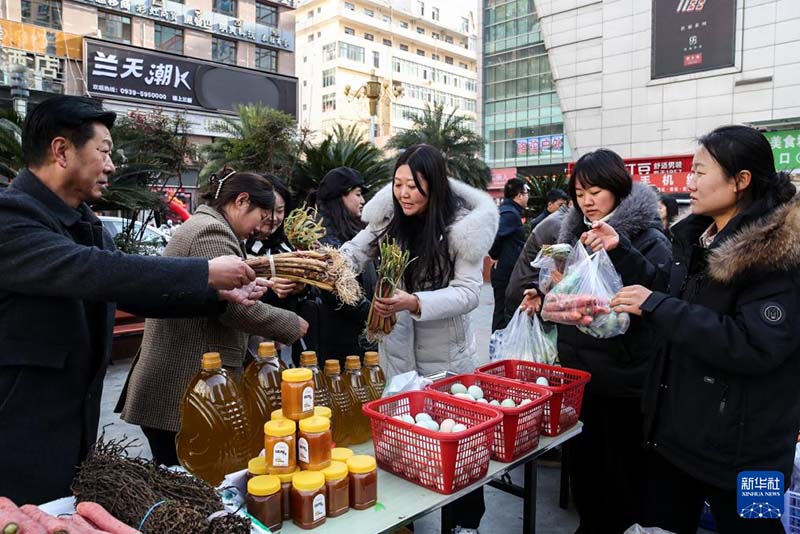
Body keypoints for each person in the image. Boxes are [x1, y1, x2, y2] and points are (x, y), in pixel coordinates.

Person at [0, 96, 260, 505]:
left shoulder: (86, 224)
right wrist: (205, 271)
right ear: (62, 151)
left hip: (75, 428)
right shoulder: (10, 219)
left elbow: (133, 289)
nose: (111, 165)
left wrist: (214, 292)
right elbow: (92, 270)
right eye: (103, 151)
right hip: (17, 432)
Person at [595, 126, 799, 533]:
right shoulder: (700, 238)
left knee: (759, 527)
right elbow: (669, 295)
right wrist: (623, 251)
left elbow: (755, 344)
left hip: (752, 451)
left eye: (700, 172)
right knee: (662, 525)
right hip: (679, 436)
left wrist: (658, 306)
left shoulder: (779, 253)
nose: (689, 183)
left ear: (740, 182)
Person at [340, 144, 498, 534]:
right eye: (398, 184)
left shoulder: (462, 227)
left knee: (454, 445)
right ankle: (405, 522)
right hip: (397, 350)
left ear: (435, 186)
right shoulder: (389, 217)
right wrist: (324, 267)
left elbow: (468, 292)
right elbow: (356, 251)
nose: (404, 193)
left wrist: (415, 301)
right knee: (405, 440)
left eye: (414, 186)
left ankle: (464, 524)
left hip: (446, 356)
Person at [521, 149, 671, 534]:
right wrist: (547, 296)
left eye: (596, 191)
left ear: (619, 190)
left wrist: (620, 248)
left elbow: (659, 294)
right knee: (585, 465)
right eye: (580, 192)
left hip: (622, 378)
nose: (587, 200)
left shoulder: (648, 237)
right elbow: (573, 299)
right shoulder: (573, 237)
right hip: (578, 375)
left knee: (619, 470)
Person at [119, 170, 309, 466]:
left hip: (186, 386)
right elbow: (233, 309)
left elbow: (219, 296)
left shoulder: (210, 225)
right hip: (181, 387)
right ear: (241, 200)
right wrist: (290, 324)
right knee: (189, 480)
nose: (261, 227)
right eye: (260, 215)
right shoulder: (212, 232)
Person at [245, 174, 319, 366]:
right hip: (250, 345)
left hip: (290, 344)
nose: (274, 218)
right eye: (268, 210)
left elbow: (310, 296)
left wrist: (301, 288)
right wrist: (270, 287)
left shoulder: (290, 245)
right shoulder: (239, 243)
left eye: (280, 210)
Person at [315, 167, 378, 363]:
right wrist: (374, 315)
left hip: (359, 334)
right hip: (342, 342)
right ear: (339, 197)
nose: (363, 201)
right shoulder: (323, 236)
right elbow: (338, 289)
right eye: (358, 194)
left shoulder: (352, 228)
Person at [504, 200, 570, 320]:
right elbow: (546, 254)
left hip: (527, 286)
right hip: (528, 291)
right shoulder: (559, 225)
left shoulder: (560, 220)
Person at [488, 178, 529, 331]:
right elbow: (495, 236)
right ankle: (498, 347)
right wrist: (494, 255)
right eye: (526, 193)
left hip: (507, 270)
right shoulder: (509, 213)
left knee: (506, 311)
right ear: (519, 195)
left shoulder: (509, 211)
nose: (527, 197)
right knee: (502, 311)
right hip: (505, 272)